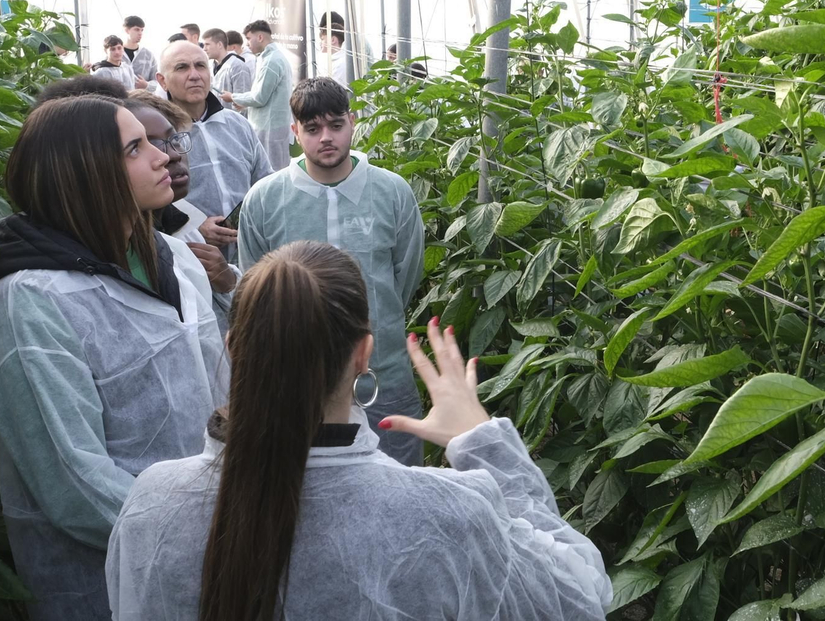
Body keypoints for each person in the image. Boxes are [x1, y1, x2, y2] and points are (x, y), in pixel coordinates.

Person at [106, 244, 610, 621]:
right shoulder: (450, 513)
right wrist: (484, 442)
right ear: (364, 353)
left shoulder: (152, 502)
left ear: (235, 348)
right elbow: (579, 599)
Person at [0, 95, 228, 621]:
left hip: (211, 536)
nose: (163, 157)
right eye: (135, 148)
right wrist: (201, 532)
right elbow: (75, 481)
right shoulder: (30, 301)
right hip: (106, 574)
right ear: (82, 174)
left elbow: (220, 387)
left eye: (156, 142)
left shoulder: (172, 255)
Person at [237, 77, 425, 464]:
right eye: (312, 128)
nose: (326, 137)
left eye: (336, 125)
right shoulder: (265, 199)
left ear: (352, 123)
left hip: (381, 370)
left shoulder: (392, 193)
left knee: (400, 479)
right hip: (295, 374)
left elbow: (404, 277)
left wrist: (378, 320)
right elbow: (256, 282)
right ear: (294, 132)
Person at [156, 41, 271, 253]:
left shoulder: (237, 124)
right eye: (182, 67)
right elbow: (149, 194)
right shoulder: (157, 135)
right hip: (192, 255)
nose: (194, 75)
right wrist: (193, 225)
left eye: (200, 66)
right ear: (162, 81)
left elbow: (265, 180)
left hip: (249, 250)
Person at [127, 91, 239, 306]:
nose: (172, 155)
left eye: (175, 139)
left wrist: (228, 281)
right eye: (149, 145)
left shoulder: (185, 220)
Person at [221, 20, 292, 171]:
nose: (247, 44)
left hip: (269, 128)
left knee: (272, 172)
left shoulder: (271, 61)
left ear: (259, 37)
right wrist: (244, 102)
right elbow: (260, 94)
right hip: (272, 125)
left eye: (248, 38)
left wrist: (233, 97)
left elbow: (259, 97)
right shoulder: (271, 58)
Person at [203, 27, 253, 108]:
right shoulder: (209, 65)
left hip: (231, 118)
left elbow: (242, 102)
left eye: (207, 44)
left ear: (219, 45)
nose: (204, 49)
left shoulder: (238, 66)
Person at [318, 11, 351, 88]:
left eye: (322, 39)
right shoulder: (336, 60)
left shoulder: (341, 64)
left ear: (333, 40)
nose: (320, 43)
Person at [122, 16, 157, 87]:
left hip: (142, 97)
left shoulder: (148, 55)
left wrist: (147, 85)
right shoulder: (115, 52)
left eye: (142, 30)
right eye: (137, 29)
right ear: (127, 30)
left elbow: (156, 80)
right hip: (119, 97)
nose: (140, 33)